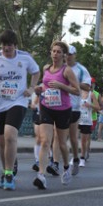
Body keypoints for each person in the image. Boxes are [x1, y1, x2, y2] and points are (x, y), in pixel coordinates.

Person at [0, 30, 40, 191]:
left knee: (10, 135)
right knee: (2, 141)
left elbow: (36, 72)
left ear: (15, 45)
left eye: (9, 45)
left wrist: (31, 88)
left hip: (18, 101)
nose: (6, 48)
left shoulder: (25, 58)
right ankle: (6, 171)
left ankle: (9, 174)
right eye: (3, 45)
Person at [32, 40, 79, 190]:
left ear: (63, 55)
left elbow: (77, 90)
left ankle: (66, 167)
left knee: (62, 144)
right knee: (45, 141)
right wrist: (38, 90)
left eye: (59, 52)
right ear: (50, 53)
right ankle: (41, 175)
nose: (55, 54)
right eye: (54, 51)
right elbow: (44, 86)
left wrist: (62, 86)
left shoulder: (67, 71)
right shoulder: (46, 68)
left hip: (63, 110)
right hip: (46, 107)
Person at [64, 46, 91, 175]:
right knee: (58, 137)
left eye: (70, 54)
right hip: (58, 105)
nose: (68, 56)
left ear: (75, 55)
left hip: (74, 106)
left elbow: (87, 87)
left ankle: (76, 158)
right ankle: (54, 162)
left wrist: (74, 81)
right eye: (66, 54)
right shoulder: (59, 67)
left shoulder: (81, 69)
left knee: (72, 137)